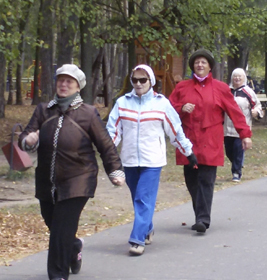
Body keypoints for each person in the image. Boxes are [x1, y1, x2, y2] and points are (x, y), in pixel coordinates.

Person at [19, 64, 125, 280]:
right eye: (61, 80)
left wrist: (115, 169)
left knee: (60, 229)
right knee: (53, 223)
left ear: (78, 87)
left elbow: (105, 145)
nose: (64, 84)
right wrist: (27, 140)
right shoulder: (43, 110)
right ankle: (74, 246)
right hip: (47, 180)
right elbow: (26, 135)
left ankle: (57, 275)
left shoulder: (88, 113)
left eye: (69, 81)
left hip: (79, 179)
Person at [107, 64, 196, 255]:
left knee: (143, 198)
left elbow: (175, 130)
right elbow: (113, 131)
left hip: (153, 161)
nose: (138, 84)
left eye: (143, 80)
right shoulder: (122, 103)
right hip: (129, 160)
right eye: (135, 80)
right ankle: (147, 228)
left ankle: (137, 239)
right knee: (137, 198)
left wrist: (188, 152)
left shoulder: (161, 103)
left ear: (151, 82)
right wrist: (107, 152)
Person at [169, 49, 252, 233]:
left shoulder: (220, 87)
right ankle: (200, 214)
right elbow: (168, 109)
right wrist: (182, 108)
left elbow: (235, 112)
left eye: (203, 62)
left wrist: (244, 134)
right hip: (188, 141)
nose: (200, 65)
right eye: (197, 62)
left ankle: (203, 220)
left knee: (206, 180)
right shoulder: (182, 87)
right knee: (192, 181)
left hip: (210, 141)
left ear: (209, 67)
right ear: (192, 66)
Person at [224, 68, 262, 182]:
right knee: (229, 151)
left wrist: (256, 112)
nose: (237, 78)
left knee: (238, 149)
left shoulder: (248, 92)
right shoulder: (227, 91)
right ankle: (238, 163)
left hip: (241, 128)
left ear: (244, 78)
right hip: (227, 127)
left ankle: (236, 172)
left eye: (240, 76)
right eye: (235, 76)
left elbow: (257, 105)